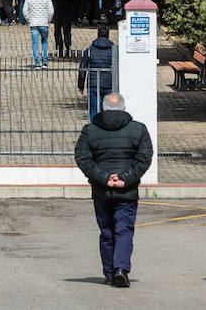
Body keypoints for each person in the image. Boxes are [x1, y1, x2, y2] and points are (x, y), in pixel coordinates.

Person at [74, 92, 154, 288]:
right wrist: (125, 179)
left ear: (103, 108)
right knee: (124, 230)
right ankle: (120, 269)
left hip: (102, 190)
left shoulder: (89, 130)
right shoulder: (139, 129)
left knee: (107, 231)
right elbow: (144, 158)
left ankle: (110, 273)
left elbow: (82, 158)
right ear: (124, 108)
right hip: (127, 191)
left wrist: (103, 178)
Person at [78, 26, 115, 121]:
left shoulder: (90, 50)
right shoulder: (113, 50)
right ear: (108, 35)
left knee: (93, 109)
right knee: (108, 110)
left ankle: (94, 130)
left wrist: (81, 85)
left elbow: (82, 69)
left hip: (94, 84)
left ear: (97, 35)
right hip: (109, 84)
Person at [23, 0, 54, 68]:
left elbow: (25, 11)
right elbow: (51, 11)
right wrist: (48, 21)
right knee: (44, 42)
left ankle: (37, 63)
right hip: (44, 23)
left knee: (35, 44)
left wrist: (29, 20)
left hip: (34, 24)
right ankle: (44, 62)